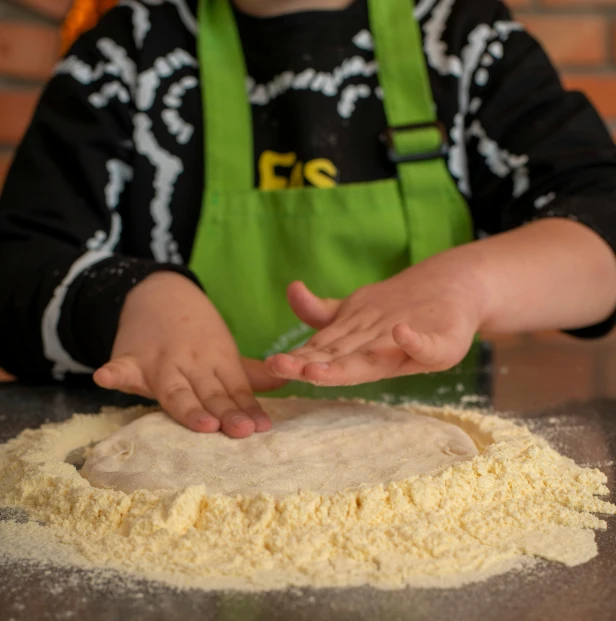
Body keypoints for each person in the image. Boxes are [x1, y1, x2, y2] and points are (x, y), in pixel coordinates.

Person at [1, 0, 615, 438]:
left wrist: (472, 282)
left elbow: (601, 217)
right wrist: (133, 299)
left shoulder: (466, 42)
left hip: (422, 509)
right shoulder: (126, 52)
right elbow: (17, 263)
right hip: (179, 504)